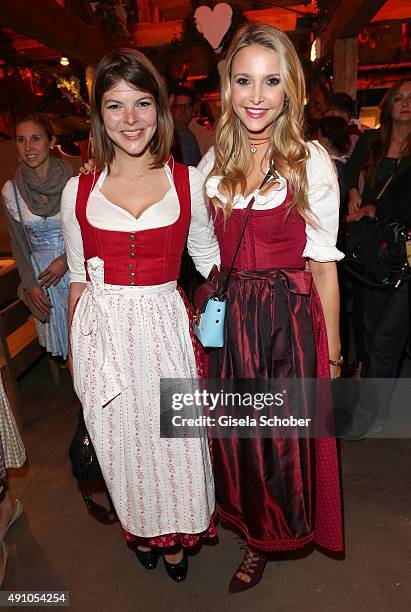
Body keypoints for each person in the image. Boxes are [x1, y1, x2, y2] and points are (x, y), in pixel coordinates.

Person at [61, 48, 219, 581]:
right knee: (122, 449)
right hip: (105, 339)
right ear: (99, 116)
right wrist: (77, 369)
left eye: (142, 103)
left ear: (160, 109)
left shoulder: (188, 182)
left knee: (174, 446)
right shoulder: (77, 190)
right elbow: (79, 281)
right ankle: (141, 528)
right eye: (115, 106)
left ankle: (173, 538)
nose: (130, 119)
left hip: (166, 331)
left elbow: (209, 261)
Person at [197, 23, 344, 592]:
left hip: (287, 322)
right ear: (228, 87)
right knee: (240, 437)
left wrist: (332, 352)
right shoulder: (212, 166)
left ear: (290, 90)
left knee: (282, 438)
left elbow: (324, 266)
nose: (256, 96)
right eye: (244, 81)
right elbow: (204, 246)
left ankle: (273, 532)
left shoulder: (310, 162)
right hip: (235, 322)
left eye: (271, 82)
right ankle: (250, 533)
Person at [343, 77, 411, 437]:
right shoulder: (371, 140)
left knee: (386, 337)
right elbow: (349, 170)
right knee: (368, 334)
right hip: (369, 254)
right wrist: (355, 189)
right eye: (398, 97)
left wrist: (375, 206)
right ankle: (374, 404)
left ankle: (374, 414)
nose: (405, 103)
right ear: (388, 106)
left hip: (404, 257)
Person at [2, 113, 74, 358]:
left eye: (35, 138)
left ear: (51, 141)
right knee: (64, 350)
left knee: (88, 347)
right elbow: (18, 244)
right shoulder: (11, 191)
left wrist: (64, 261)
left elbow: (89, 233)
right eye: (21, 140)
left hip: (76, 270)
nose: (28, 147)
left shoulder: (74, 182)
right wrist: (31, 284)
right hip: (43, 280)